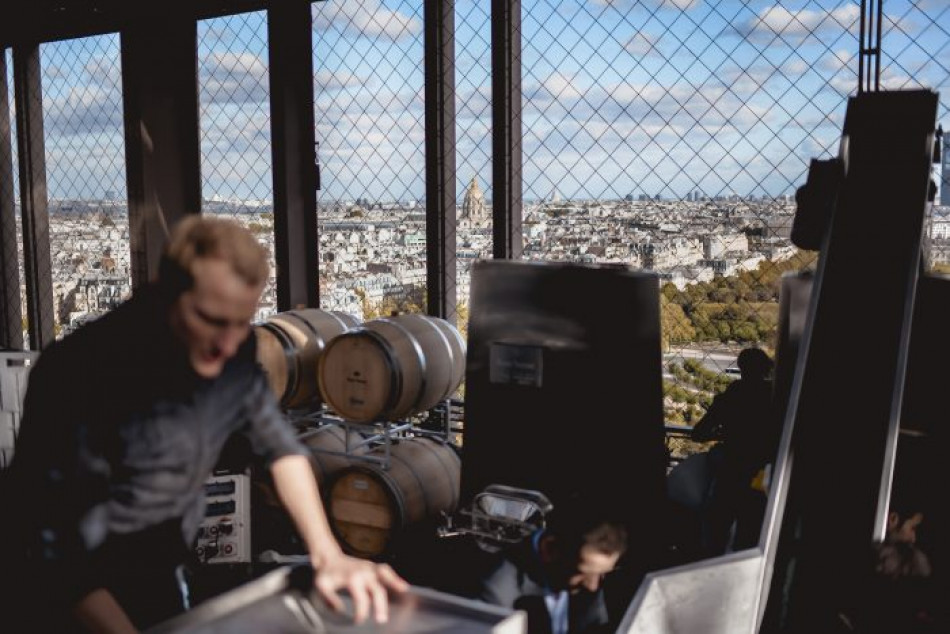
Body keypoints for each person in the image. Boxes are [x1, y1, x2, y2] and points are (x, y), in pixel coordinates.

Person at [1, 216, 407, 633]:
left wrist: (328, 554)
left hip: (158, 566)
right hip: (59, 596)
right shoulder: (77, 371)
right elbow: (53, 545)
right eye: (211, 320)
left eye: (242, 321)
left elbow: (280, 448)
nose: (228, 342)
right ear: (166, 293)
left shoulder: (232, 348)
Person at [476, 507, 628, 634]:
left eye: (602, 573)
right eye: (581, 573)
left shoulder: (589, 574)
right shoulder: (496, 592)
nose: (593, 586)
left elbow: (594, 627)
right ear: (549, 549)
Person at [691, 346, 775, 555]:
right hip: (760, 473)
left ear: (740, 368)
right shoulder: (774, 398)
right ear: (765, 368)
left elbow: (698, 434)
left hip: (730, 470)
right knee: (750, 533)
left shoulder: (729, 398)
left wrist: (722, 434)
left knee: (716, 531)